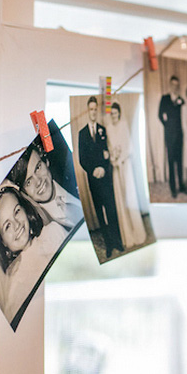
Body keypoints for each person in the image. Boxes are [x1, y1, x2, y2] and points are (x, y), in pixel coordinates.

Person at [0, 186, 66, 321]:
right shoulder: (13, 286)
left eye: (17, 211)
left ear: (25, 209)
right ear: (3, 241)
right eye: (7, 226)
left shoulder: (53, 232)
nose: (16, 224)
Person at [78, 96, 124, 258]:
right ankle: (109, 244)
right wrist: (93, 170)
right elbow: (82, 159)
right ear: (87, 111)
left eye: (95, 109)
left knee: (111, 210)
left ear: (97, 111)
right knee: (100, 213)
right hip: (93, 179)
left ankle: (117, 241)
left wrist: (103, 168)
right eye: (90, 109)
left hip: (105, 178)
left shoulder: (103, 130)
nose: (93, 112)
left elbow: (107, 153)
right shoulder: (82, 134)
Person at [6, 141, 82, 232]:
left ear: (46, 162)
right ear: (24, 192)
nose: (38, 182)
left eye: (38, 168)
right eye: (28, 182)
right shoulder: (40, 228)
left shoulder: (70, 171)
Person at [106, 102, 147, 248]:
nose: (114, 116)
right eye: (112, 114)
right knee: (120, 199)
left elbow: (129, 147)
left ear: (119, 114)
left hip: (126, 165)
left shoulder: (123, 125)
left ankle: (137, 231)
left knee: (130, 197)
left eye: (116, 113)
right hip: (116, 167)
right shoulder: (109, 128)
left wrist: (121, 158)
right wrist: (113, 159)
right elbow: (110, 148)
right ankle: (127, 234)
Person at [158, 75, 185, 198]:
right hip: (169, 135)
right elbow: (159, 114)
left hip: (180, 135)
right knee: (170, 162)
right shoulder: (164, 98)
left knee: (180, 161)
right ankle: (173, 188)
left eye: (177, 85)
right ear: (170, 85)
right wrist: (167, 126)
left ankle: (181, 186)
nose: (175, 87)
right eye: (173, 85)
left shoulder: (181, 99)